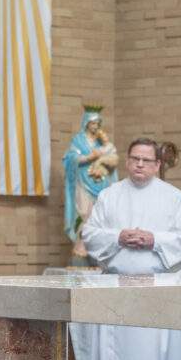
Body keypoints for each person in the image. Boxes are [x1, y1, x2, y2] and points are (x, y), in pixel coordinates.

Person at [81, 138, 181, 360]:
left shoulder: (173, 197)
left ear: (158, 164)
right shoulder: (110, 195)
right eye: (134, 159)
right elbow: (91, 235)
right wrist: (118, 236)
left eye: (146, 160)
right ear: (127, 161)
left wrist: (154, 239)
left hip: (157, 289)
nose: (139, 165)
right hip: (120, 289)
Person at [62, 106, 118, 262]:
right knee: (84, 213)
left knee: (100, 216)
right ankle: (81, 247)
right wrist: (90, 156)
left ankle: (98, 248)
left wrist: (104, 159)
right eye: (93, 123)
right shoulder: (78, 141)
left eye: (98, 123)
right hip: (83, 183)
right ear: (86, 123)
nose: (96, 126)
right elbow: (70, 159)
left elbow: (113, 159)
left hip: (101, 183)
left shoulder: (103, 142)